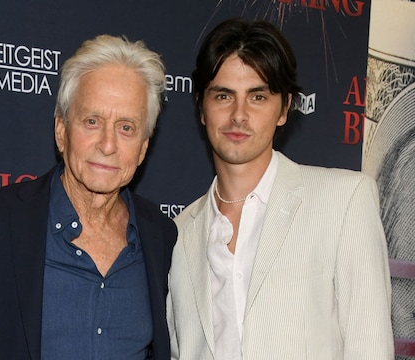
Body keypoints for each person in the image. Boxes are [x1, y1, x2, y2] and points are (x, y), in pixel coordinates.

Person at [166, 18, 393, 360]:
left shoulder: (344, 201)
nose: (239, 115)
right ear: (202, 107)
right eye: (223, 96)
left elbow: (370, 346)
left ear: (285, 108)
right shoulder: (178, 235)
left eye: (258, 96)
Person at [0, 34, 177, 360]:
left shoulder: (161, 236)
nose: (107, 145)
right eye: (92, 121)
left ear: (143, 148)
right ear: (61, 131)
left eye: (126, 127)